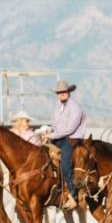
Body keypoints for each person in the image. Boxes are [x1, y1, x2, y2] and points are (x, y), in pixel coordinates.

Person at [42, 80, 86, 211]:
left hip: (71, 139)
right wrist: (49, 131)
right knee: (42, 158)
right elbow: (56, 125)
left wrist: (51, 136)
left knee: (65, 165)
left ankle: (73, 195)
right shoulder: (57, 107)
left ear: (68, 92)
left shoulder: (75, 108)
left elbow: (69, 129)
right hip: (58, 138)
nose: (61, 94)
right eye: (59, 92)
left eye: (63, 92)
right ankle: (54, 189)